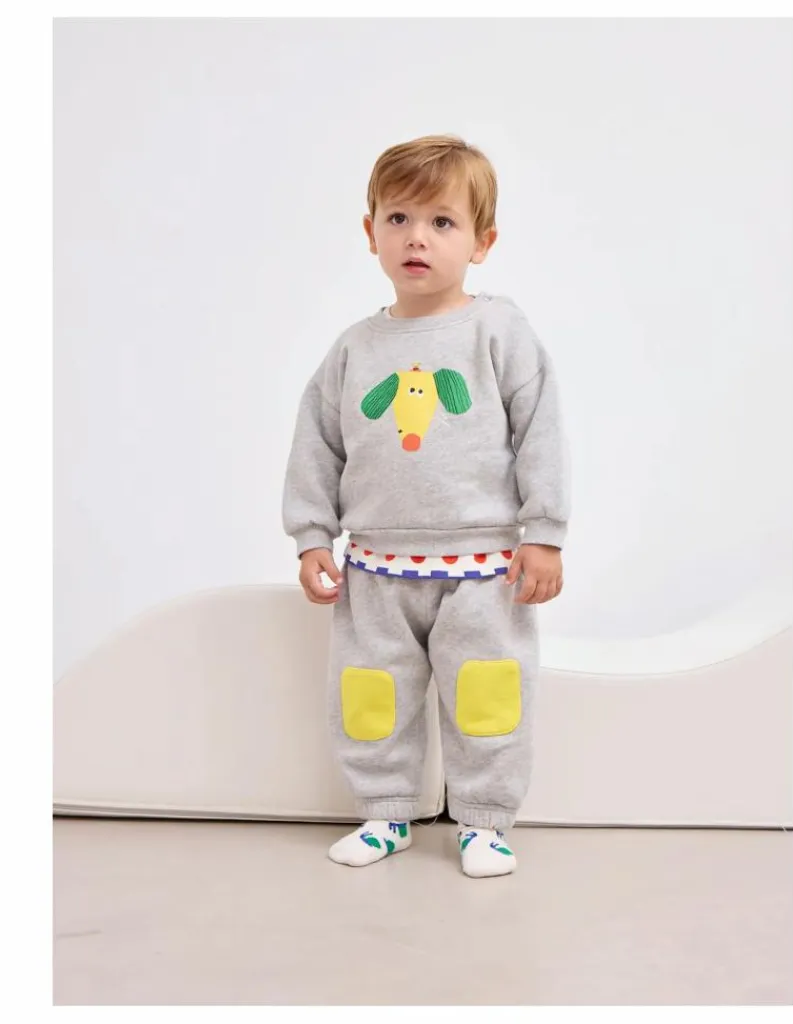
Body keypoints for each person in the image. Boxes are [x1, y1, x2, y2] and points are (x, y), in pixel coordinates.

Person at [282, 134, 570, 878]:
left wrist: (544, 531)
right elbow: (318, 444)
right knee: (373, 695)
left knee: (486, 695)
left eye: (443, 222)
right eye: (399, 218)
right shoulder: (354, 349)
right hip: (375, 568)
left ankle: (483, 821)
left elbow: (540, 432)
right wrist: (311, 536)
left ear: (482, 242)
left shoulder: (498, 331)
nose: (418, 237)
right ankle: (386, 814)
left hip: (485, 567)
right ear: (370, 231)